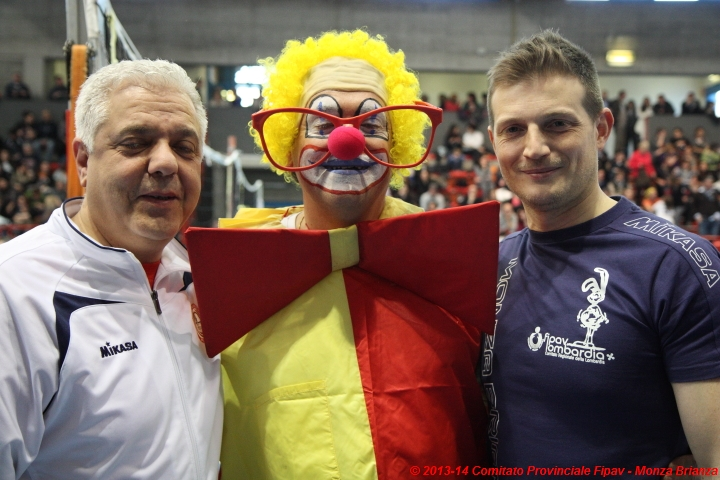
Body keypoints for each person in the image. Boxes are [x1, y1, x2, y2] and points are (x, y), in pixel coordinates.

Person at [186, 30, 498, 479]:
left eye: (372, 126)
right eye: (323, 124)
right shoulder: (231, 274)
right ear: (290, 142)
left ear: (398, 145)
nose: (346, 142)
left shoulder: (449, 257)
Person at [482, 30, 720, 474]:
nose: (534, 147)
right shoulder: (491, 266)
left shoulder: (679, 267)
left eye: (557, 123)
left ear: (601, 128)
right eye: (514, 129)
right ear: (495, 142)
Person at [0, 59, 223, 478]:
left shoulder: (202, 280)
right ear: (83, 161)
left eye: (184, 147)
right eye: (136, 143)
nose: (165, 163)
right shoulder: (15, 292)